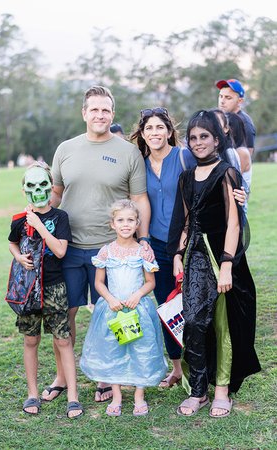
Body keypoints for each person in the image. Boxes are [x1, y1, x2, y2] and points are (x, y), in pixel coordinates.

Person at [45, 85, 151, 403]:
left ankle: (108, 379)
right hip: (70, 247)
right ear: (84, 113)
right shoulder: (66, 149)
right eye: (94, 109)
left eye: (106, 110)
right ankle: (63, 377)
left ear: (112, 114)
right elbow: (55, 194)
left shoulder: (127, 152)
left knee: (110, 313)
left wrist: (142, 240)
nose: (100, 115)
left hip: (112, 250)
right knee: (66, 314)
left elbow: (139, 199)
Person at [130, 107, 246, 388]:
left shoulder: (184, 156)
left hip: (192, 242)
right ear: (142, 135)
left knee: (198, 305)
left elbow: (215, 181)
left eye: (160, 128)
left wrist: (240, 196)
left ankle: (209, 367)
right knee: (167, 305)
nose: (154, 133)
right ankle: (178, 367)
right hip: (155, 244)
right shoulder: (139, 164)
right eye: (149, 129)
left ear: (170, 131)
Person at [167, 110, 261, 418]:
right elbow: (184, 221)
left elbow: (234, 224)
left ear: (217, 139)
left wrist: (226, 265)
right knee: (194, 322)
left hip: (221, 254)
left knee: (222, 326)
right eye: (193, 138)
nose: (198, 143)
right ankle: (199, 390)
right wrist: (178, 255)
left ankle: (221, 390)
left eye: (204, 136)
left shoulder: (226, 173)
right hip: (194, 256)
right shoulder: (185, 178)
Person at [8, 162, 83, 418]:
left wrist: (39, 225)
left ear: (51, 187)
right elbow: (12, 244)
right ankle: (32, 393)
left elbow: (61, 250)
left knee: (63, 340)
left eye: (43, 185)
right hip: (28, 290)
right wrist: (18, 257)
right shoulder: (19, 220)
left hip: (54, 287)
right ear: (24, 189)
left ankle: (72, 395)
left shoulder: (59, 217)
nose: (38, 190)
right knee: (31, 340)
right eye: (32, 185)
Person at [80, 199, 168, 416]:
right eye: (120, 220)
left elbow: (150, 282)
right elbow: (99, 282)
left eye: (130, 220)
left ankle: (139, 395)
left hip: (138, 308)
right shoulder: (106, 252)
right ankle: (117, 396)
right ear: (112, 224)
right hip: (113, 309)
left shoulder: (143, 252)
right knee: (113, 351)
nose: (125, 224)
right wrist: (110, 299)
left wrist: (138, 295)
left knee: (141, 349)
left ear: (138, 223)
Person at [216, 78, 256, 156]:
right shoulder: (220, 119)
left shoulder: (244, 123)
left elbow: (247, 154)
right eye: (221, 96)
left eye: (228, 98)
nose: (222, 101)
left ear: (240, 101)